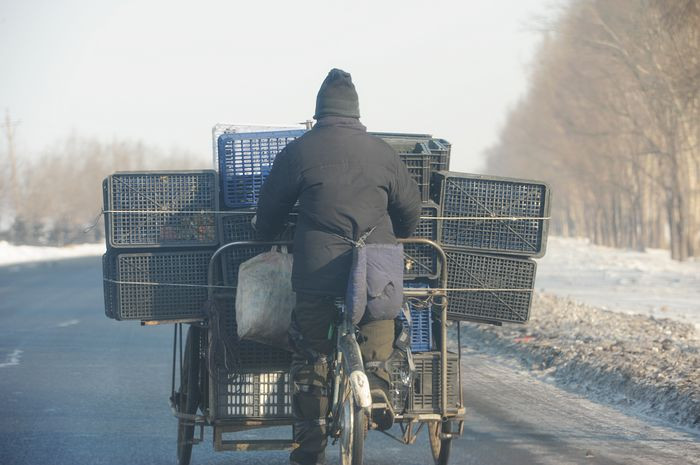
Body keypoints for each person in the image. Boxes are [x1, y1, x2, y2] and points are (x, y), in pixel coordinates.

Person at [255, 68, 421, 465]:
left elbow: (269, 212)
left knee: (311, 354)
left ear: (318, 112)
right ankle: (377, 386)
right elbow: (411, 212)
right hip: (377, 272)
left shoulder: (299, 152)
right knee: (379, 341)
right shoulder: (384, 153)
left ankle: (309, 449)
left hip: (318, 271)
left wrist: (265, 239)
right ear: (357, 113)